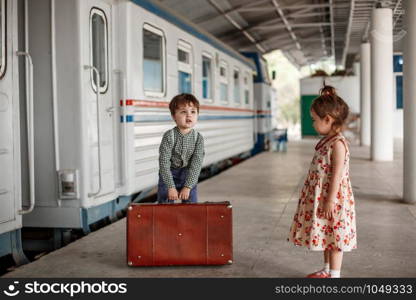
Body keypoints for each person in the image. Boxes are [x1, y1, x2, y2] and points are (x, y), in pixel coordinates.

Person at [288, 85, 357, 278]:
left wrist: (330, 200)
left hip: (334, 199)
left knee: (335, 238)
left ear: (328, 120)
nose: (312, 123)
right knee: (328, 234)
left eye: (314, 120)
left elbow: (336, 175)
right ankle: (326, 270)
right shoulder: (328, 140)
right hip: (324, 197)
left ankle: (335, 275)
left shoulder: (338, 144)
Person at [157, 93, 205, 203]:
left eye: (193, 112)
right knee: (164, 203)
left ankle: (189, 219)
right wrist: (170, 187)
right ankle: (165, 219)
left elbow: (196, 164)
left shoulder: (198, 138)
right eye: (183, 112)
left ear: (197, 115)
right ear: (174, 116)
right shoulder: (169, 136)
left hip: (188, 174)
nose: (189, 115)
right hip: (169, 173)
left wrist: (188, 187)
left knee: (191, 204)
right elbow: (164, 162)